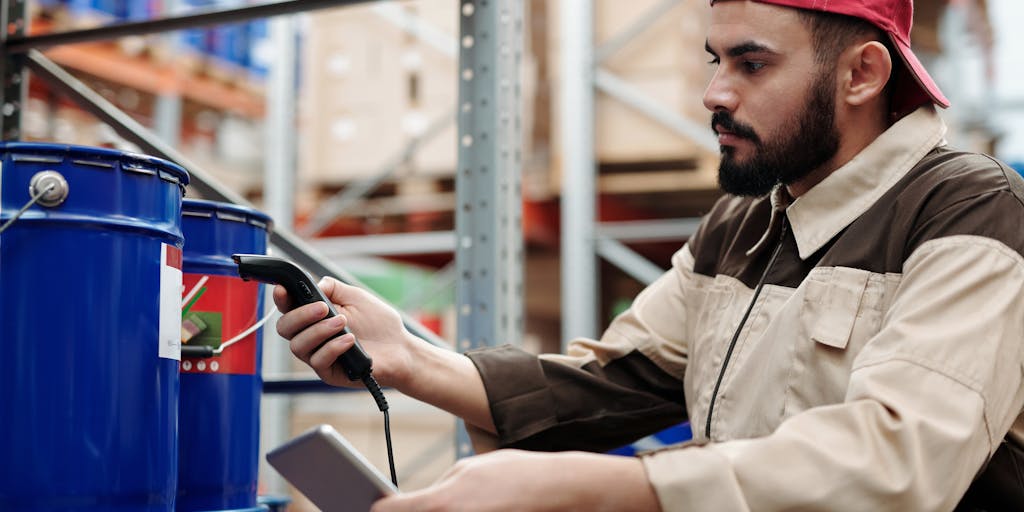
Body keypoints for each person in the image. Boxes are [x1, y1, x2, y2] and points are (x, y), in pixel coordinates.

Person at [274, 0, 1024, 510]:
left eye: (751, 65)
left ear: (862, 73)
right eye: (713, 60)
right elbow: (621, 380)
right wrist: (408, 357)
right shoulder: (742, 223)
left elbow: (898, 463)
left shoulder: (971, 214)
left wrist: (587, 489)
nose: (713, 93)